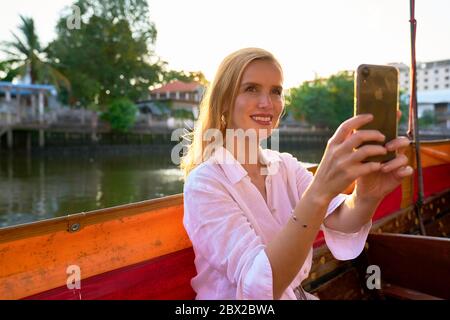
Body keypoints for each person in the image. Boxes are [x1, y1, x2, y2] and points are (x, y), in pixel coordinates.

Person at [180, 48, 412, 300]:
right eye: (251, 89)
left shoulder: (286, 166)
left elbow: (342, 221)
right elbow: (259, 288)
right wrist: (319, 191)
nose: (267, 103)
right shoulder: (204, 183)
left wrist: (366, 195)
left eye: (276, 91)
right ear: (223, 101)